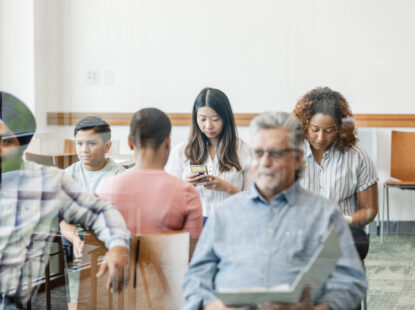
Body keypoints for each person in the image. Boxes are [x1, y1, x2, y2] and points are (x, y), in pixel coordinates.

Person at [182, 112, 367, 310]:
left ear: (297, 159)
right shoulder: (225, 213)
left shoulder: (325, 214)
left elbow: (350, 282)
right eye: (258, 153)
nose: (265, 162)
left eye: (276, 153)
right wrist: (216, 307)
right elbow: (196, 278)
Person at [0, 92, 130, 309]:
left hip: (23, 295)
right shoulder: (71, 171)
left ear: (21, 145)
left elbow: (100, 212)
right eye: (80, 144)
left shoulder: (47, 182)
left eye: (5, 141)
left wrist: (117, 245)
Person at [97, 108, 203, 249]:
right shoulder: (187, 193)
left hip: (120, 270)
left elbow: (99, 249)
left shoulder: (106, 188)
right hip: (169, 270)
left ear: (130, 141)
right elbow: (193, 254)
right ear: (167, 141)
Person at [293, 87, 378, 258]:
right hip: (299, 234)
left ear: (340, 128)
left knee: (356, 240)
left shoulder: (357, 156)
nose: (320, 138)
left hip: (342, 234)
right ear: (304, 125)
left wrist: (346, 220)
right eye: (315, 129)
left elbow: (369, 209)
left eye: (329, 130)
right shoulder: (290, 153)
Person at [166, 87, 251, 222]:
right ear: (195, 118)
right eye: (203, 119)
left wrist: (227, 188)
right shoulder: (181, 151)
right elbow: (168, 199)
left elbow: (254, 203)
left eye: (215, 119)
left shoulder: (244, 151)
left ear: (226, 118)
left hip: (232, 222)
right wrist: (185, 185)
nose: (208, 125)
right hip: (192, 223)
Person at [60, 116, 126, 263]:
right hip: (77, 235)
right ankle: (75, 283)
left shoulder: (118, 175)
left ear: (107, 146)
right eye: (79, 143)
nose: (84, 150)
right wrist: (75, 238)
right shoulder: (68, 174)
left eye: (91, 143)